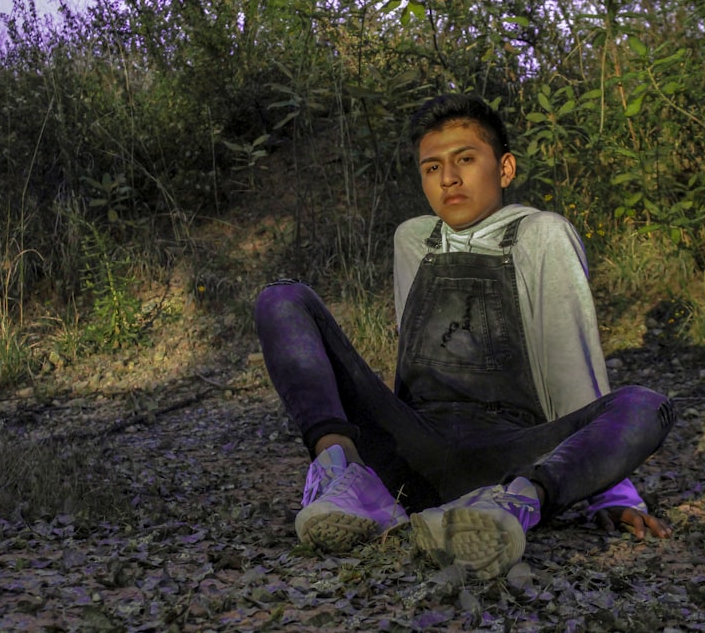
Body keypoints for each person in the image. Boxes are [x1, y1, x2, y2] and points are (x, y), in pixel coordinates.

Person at [254, 93, 675, 579]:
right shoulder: (413, 238)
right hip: (414, 445)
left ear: (506, 168)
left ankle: (510, 507)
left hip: (509, 452)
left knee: (647, 404)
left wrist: (609, 488)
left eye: (466, 160)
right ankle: (343, 478)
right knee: (280, 298)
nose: (448, 179)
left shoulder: (543, 233)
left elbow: (571, 362)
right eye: (431, 168)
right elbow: (411, 364)